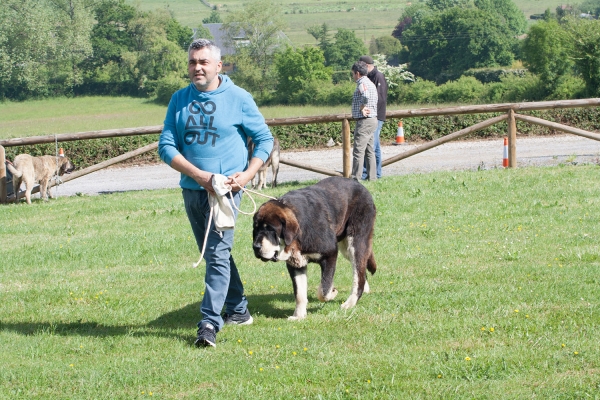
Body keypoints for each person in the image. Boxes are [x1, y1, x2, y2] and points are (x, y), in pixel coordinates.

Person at [158, 39, 274, 348]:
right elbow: (166, 146)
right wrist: (199, 177)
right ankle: (238, 310)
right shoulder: (178, 100)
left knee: (218, 254)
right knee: (214, 255)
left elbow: (264, 139)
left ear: (218, 66)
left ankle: (209, 322)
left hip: (226, 193)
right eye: (193, 62)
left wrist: (248, 174)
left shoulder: (238, 98)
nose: (197, 67)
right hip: (193, 191)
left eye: (203, 62)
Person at [359, 55, 388, 180]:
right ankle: (373, 173)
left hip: (376, 115)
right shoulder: (370, 77)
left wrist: (369, 111)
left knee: (373, 146)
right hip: (374, 114)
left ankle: (372, 173)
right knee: (373, 146)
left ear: (367, 65)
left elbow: (380, 99)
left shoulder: (378, 76)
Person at [350, 61, 378, 181]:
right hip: (372, 119)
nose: (352, 76)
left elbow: (365, 95)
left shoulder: (362, 83)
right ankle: (372, 177)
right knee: (369, 150)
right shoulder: (370, 83)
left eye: (353, 74)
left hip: (364, 121)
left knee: (358, 151)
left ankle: (356, 178)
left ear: (357, 73)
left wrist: (362, 106)